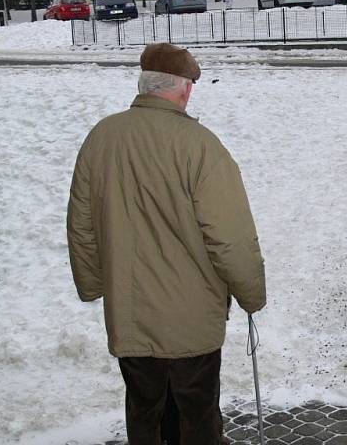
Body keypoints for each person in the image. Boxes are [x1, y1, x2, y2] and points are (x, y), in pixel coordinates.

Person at [67, 42, 266, 445]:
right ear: (183, 88)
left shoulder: (101, 137)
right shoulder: (200, 145)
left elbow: (81, 225)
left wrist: (92, 285)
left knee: (146, 409)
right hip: (190, 318)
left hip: (131, 310)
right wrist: (251, 294)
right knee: (197, 413)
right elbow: (229, 237)